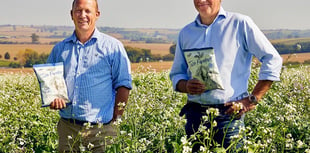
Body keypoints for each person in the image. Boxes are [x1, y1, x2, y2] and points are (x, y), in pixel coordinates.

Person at [169, 0, 282, 152]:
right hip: (195, 116)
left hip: (229, 117)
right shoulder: (186, 33)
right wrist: (186, 85)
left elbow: (272, 58)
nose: (201, 0)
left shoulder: (240, 23)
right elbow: (177, 73)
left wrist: (253, 98)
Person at [46, 0, 132, 152]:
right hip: (68, 129)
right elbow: (49, 84)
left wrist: (116, 119)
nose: (82, 15)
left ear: (97, 14)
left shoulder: (113, 47)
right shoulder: (59, 49)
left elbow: (123, 85)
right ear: (71, 14)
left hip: (101, 132)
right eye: (78, 11)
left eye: (88, 11)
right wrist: (53, 99)